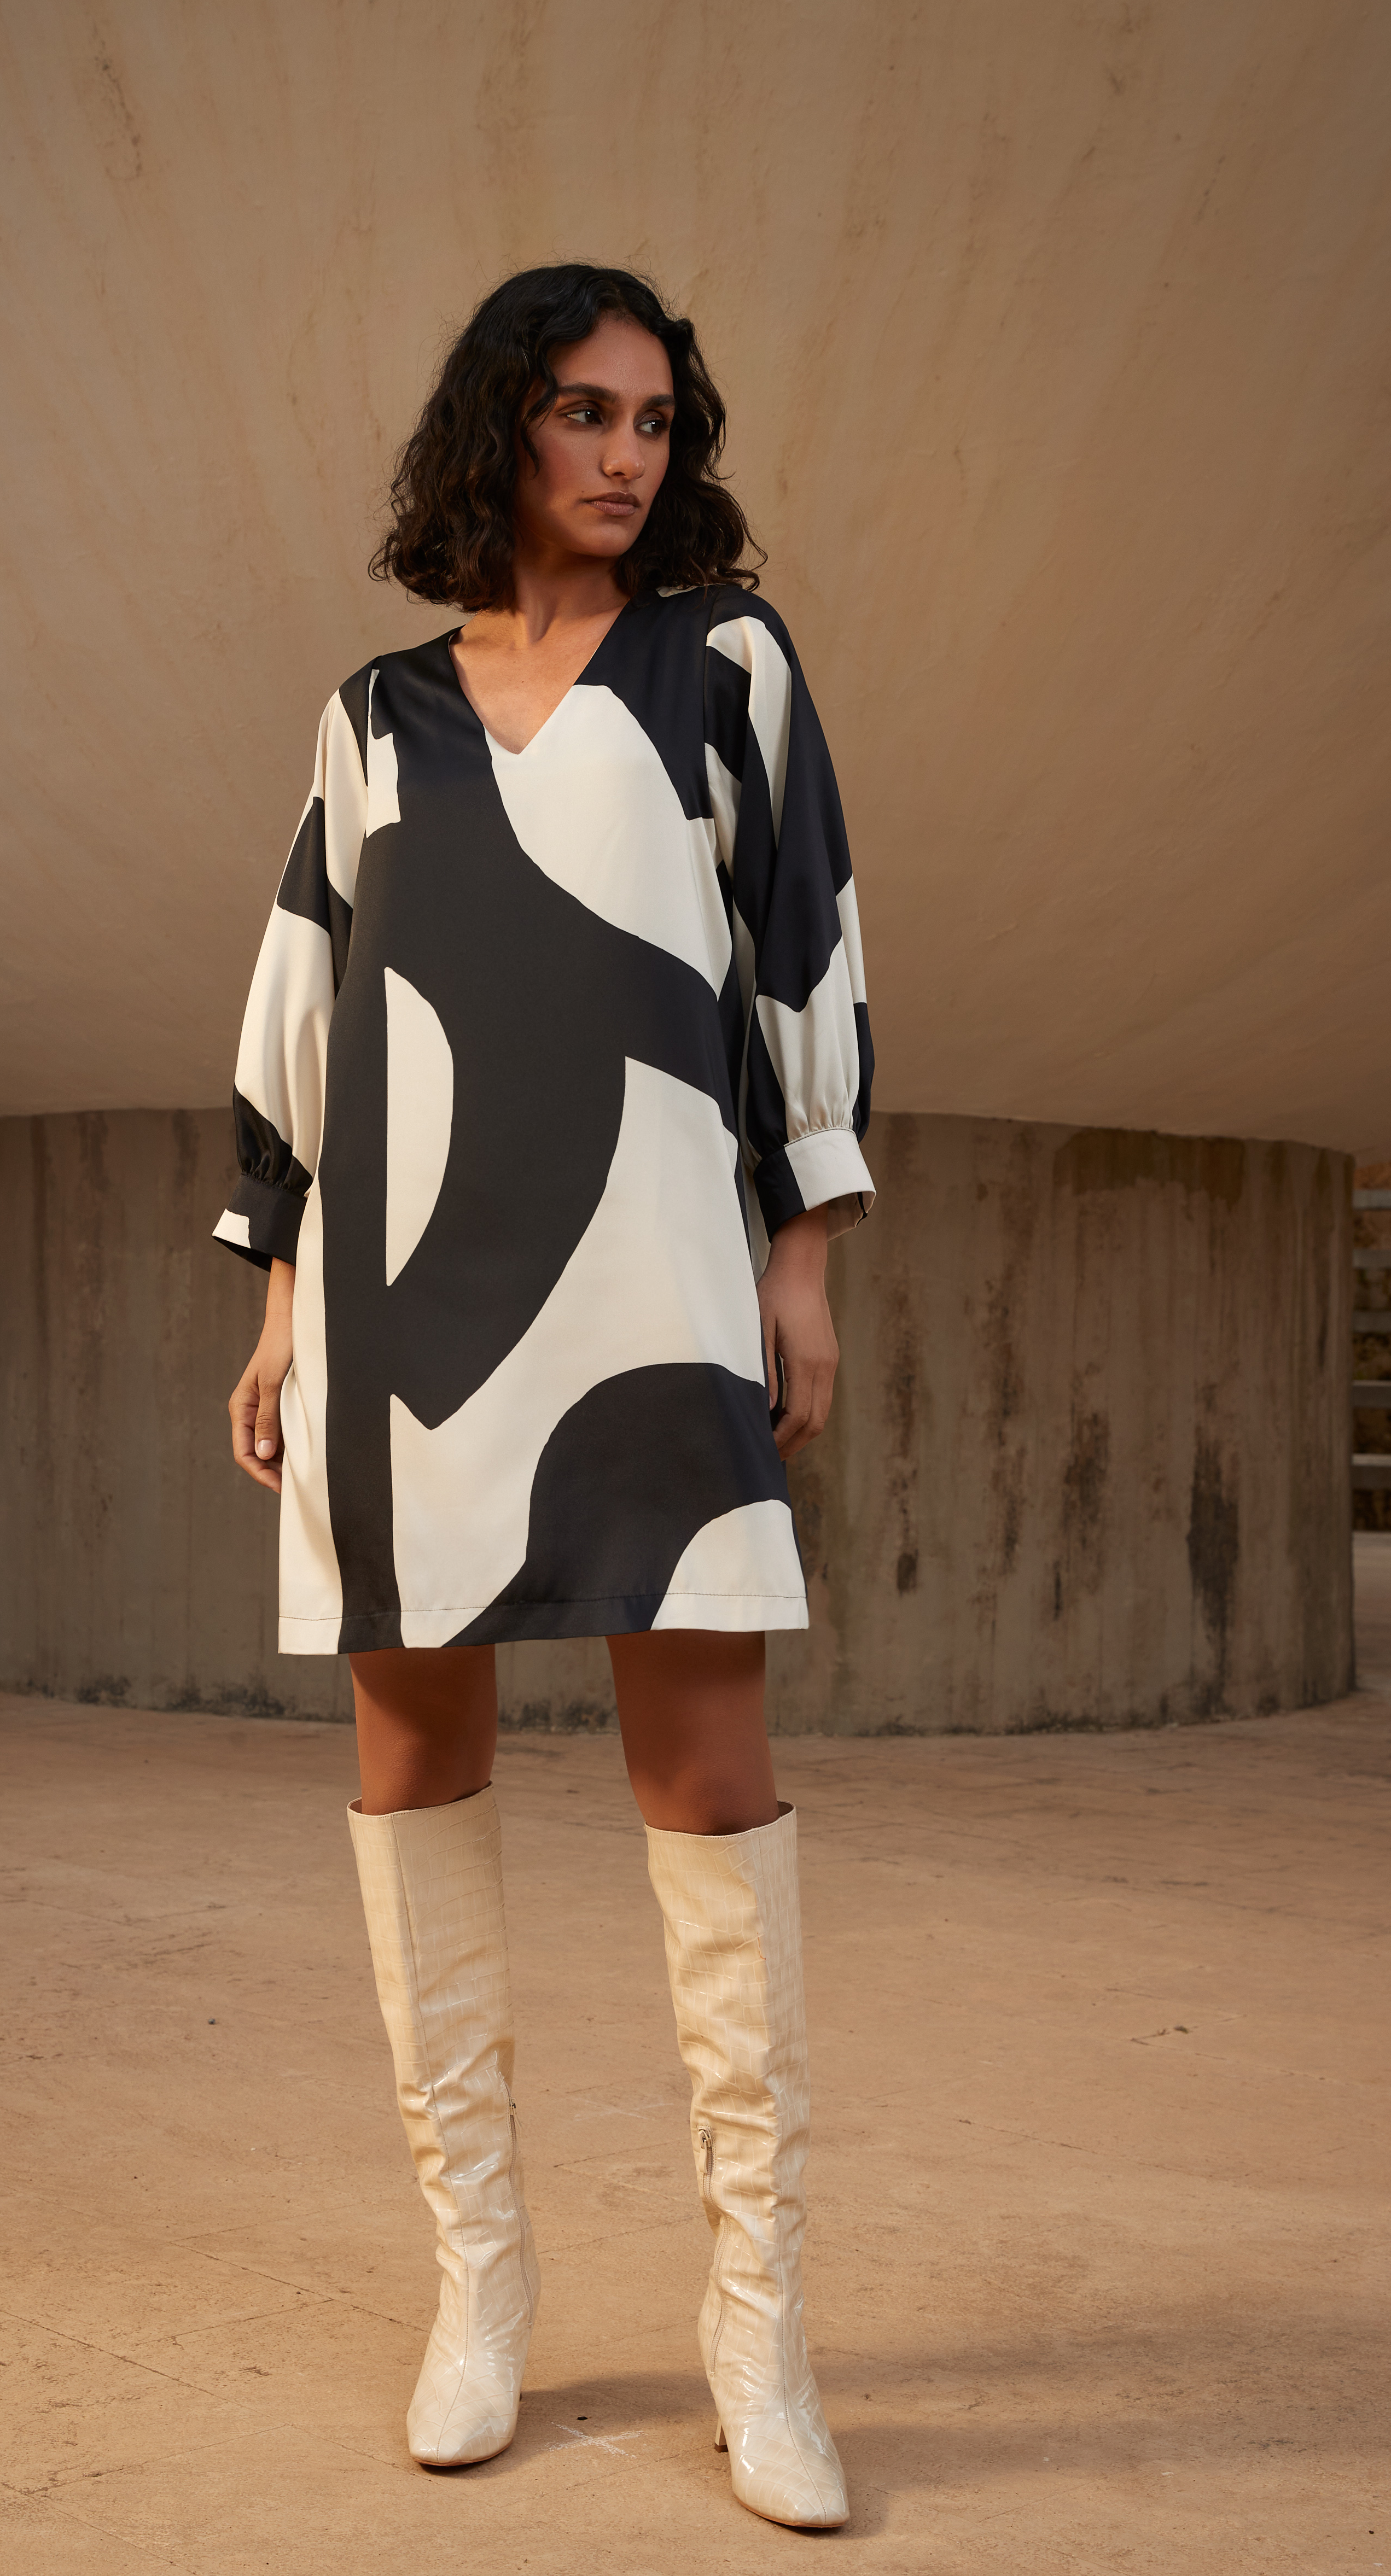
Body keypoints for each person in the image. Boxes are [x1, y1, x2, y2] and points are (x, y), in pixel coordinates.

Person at [219, 263, 873, 2531]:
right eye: (584, 412)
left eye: (655, 421)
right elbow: (304, 1011)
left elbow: (800, 948)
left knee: (710, 1775)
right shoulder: (371, 715)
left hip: (661, 1281)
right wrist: (282, 1303)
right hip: (404, 1300)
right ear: (500, 425)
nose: (624, 454)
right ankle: (479, 2289)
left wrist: (801, 1254)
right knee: (417, 1759)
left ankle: (759, 2331)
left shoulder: (728, 667)